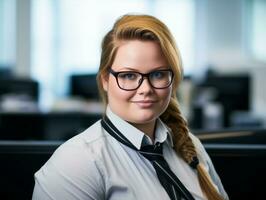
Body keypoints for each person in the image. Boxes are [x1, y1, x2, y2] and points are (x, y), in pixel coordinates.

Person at [32, 14, 228, 200]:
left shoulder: (190, 146)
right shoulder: (76, 162)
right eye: (128, 76)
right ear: (105, 81)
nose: (146, 89)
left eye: (158, 74)